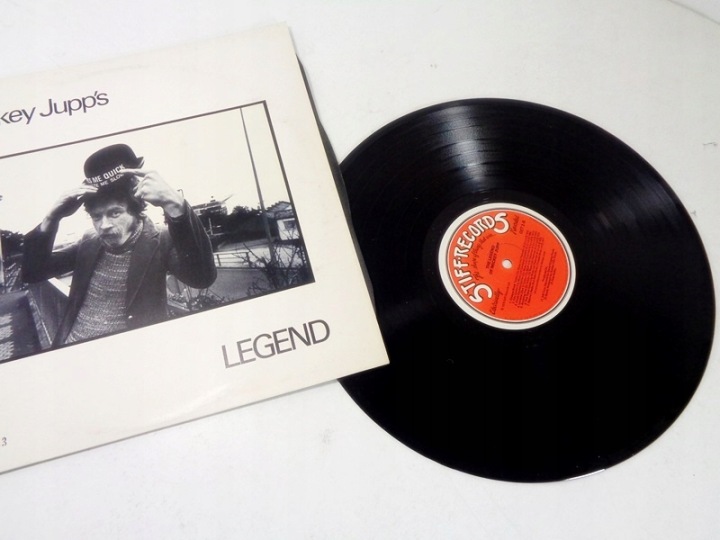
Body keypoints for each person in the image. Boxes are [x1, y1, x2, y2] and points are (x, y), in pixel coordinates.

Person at [22, 143, 217, 347]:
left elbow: (202, 278)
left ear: (135, 210)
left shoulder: (161, 240)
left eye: (115, 213)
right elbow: (33, 273)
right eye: (96, 216)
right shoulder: (89, 241)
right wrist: (51, 218)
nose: (104, 225)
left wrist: (176, 206)